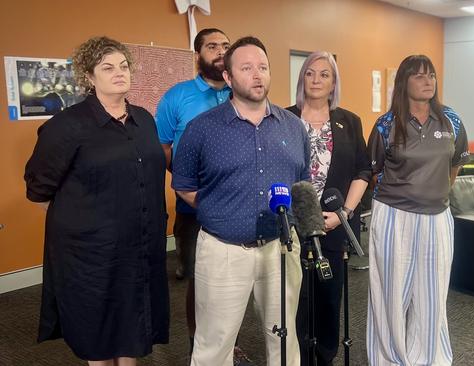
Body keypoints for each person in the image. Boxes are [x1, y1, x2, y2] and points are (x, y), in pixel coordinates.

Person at [24, 36, 169, 366]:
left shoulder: (144, 118)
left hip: (139, 245)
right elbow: (39, 189)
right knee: (99, 330)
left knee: (133, 322)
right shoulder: (67, 125)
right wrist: (84, 220)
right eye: (107, 67)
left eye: (123, 66)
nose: (119, 73)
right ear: (89, 77)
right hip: (91, 253)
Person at [172, 36, 310, 366]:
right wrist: (221, 211)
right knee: (214, 343)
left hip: (281, 249)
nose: (257, 75)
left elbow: (301, 182)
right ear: (230, 78)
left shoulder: (293, 127)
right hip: (224, 251)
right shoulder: (202, 128)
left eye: (262, 67)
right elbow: (184, 185)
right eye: (246, 68)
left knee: (284, 336)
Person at [365, 55, 470, 366]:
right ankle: (389, 358)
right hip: (394, 215)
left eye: (432, 76)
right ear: (404, 83)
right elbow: (375, 173)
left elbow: (455, 166)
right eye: (420, 76)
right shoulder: (386, 124)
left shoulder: (452, 120)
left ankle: (429, 357)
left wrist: (434, 193)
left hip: (437, 218)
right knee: (390, 295)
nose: (428, 82)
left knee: (432, 295)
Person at [156, 28, 252, 364]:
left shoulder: (238, 92)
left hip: (238, 203)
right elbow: (163, 148)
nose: (221, 52)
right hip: (194, 206)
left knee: (236, 279)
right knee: (201, 281)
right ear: (198, 54)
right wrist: (190, 183)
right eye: (212, 46)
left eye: (226, 45)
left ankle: (231, 346)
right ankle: (200, 346)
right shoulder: (177, 96)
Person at [286, 51, 370, 366]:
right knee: (296, 299)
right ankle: (299, 358)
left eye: (325, 74)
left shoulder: (349, 121)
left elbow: (363, 171)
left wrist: (344, 213)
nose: (317, 80)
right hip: (294, 227)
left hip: (334, 225)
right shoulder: (283, 117)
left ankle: (326, 356)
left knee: (329, 295)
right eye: (310, 73)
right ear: (301, 78)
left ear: (334, 83)